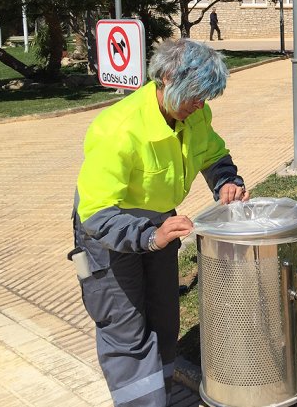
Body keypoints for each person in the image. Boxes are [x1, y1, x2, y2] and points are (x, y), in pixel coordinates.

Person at [71, 38, 248, 406]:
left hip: (159, 228)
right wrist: (150, 236)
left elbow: (212, 152)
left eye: (206, 98)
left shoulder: (193, 113)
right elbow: (96, 214)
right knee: (128, 331)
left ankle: (161, 396)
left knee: (165, 321)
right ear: (166, 78)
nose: (200, 105)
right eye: (195, 95)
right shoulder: (118, 128)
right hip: (108, 233)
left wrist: (226, 181)